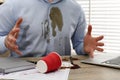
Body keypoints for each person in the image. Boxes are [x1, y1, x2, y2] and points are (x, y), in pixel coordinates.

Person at [0, 0, 104, 58]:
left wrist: (84, 48)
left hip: (62, 70)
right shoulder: (12, 5)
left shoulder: (76, 9)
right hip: (21, 72)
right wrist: (5, 42)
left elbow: (79, 45)